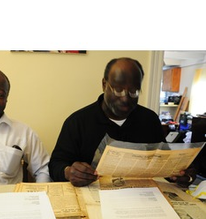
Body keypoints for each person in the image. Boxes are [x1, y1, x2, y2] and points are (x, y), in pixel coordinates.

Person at [49, 57, 195, 187]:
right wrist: (68, 172)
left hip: (142, 202)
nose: (125, 98)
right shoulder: (77, 122)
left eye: (133, 91)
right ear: (104, 84)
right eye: (118, 90)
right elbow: (55, 165)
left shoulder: (149, 120)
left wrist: (181, 174)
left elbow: (164, 165)